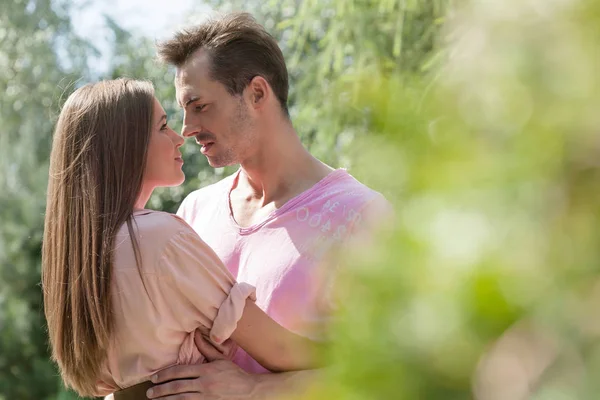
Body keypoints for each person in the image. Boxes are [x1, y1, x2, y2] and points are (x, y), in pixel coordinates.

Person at [147, 12, 393, 400]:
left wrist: (255, 389)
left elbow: (386, 378)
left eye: (199, 106)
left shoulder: (361, 217)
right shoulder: (195, 211)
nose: (186, 128)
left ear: (257, 93)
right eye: (182, 110)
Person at [41, 78, 322, 399]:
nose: (178, 138)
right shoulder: (160, 239)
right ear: (126, 146)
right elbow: (280, 350)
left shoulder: (82, 252)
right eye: (163, 127)